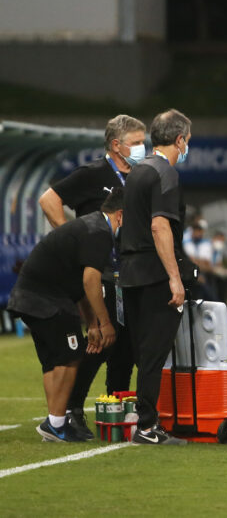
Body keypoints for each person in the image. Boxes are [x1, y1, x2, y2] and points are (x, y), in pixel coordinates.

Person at [37, 113, 146, 439]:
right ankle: (70, 409)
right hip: (100, 270)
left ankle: (117, 405)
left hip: (129, 272)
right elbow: (48, 199)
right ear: (116, 144)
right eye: (136, 143)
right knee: (100, 342)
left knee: (126, 345)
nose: (142, 148)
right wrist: (72, 239)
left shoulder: (140, 176)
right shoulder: (93, 173)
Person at [8, 189, 123, 442]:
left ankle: (55, 422)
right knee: (71, 356)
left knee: (54, 361)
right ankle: (57, 424)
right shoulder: (100, 233)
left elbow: (79, 284)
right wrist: (105, 323)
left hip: (29, 297)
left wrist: (92, 323)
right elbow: (90, 281)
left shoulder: (88, 226)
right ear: (121, 215)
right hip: (48, 300)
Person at [119, 109, 193, 446]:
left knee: (142, 353)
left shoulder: (137, 171)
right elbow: (159, 226)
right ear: (179, 139)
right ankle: (147, 427)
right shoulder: (166, 172)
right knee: (153, 354)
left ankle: (140, 421)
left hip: (131, 272)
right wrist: (175, 278)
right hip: (154, 274)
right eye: (187, 140)